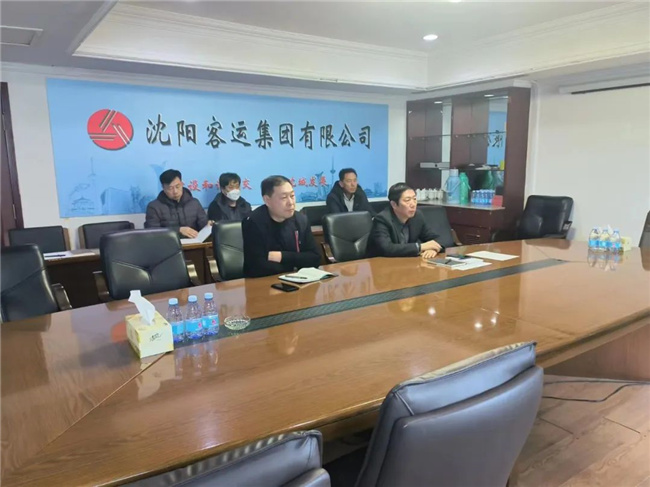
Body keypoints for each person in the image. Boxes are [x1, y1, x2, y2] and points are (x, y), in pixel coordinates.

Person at [242, 175, 321, 278]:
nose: (290, 203)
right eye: (284, 198)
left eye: (292, 196)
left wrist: (282, 256)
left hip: (298, 279)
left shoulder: (301, 220)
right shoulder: (254, 223)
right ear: (267, 200)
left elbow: (315, 258)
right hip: (264, 283)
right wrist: (297, 262)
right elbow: (257, 266)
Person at [367, 182, 442, 258]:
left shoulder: (417, 216)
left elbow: (437, 239)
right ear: (394, 204)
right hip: (381, 263)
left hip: (406, 261)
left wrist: (433, 249)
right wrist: (420, 247)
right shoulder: (382, 219)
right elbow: (387, 248)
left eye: (414, 199)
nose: (413, 204)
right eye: (407, 200)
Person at [144, 169, 208, 239]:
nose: (175, 191)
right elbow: (152, 232)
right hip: (168, 244)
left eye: (177, 186)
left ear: (182, 184)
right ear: (163, 188)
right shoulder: (154, 207)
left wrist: (208, 226)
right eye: (170, 188)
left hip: (194, 244)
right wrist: (178, 230)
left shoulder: (194, 203)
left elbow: (203, 225)